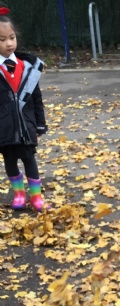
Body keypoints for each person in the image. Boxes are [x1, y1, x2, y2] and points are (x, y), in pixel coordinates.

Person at [0, 12, 49, 212]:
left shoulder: (28, 68)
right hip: (4, 129)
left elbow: (36, 99)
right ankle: (19, 194)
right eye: (2, 40)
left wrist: (40, 124)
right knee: (10, 161)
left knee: (30, 160)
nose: (9, 43)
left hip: (26, 127)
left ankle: (36, 197)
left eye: (12, 37)